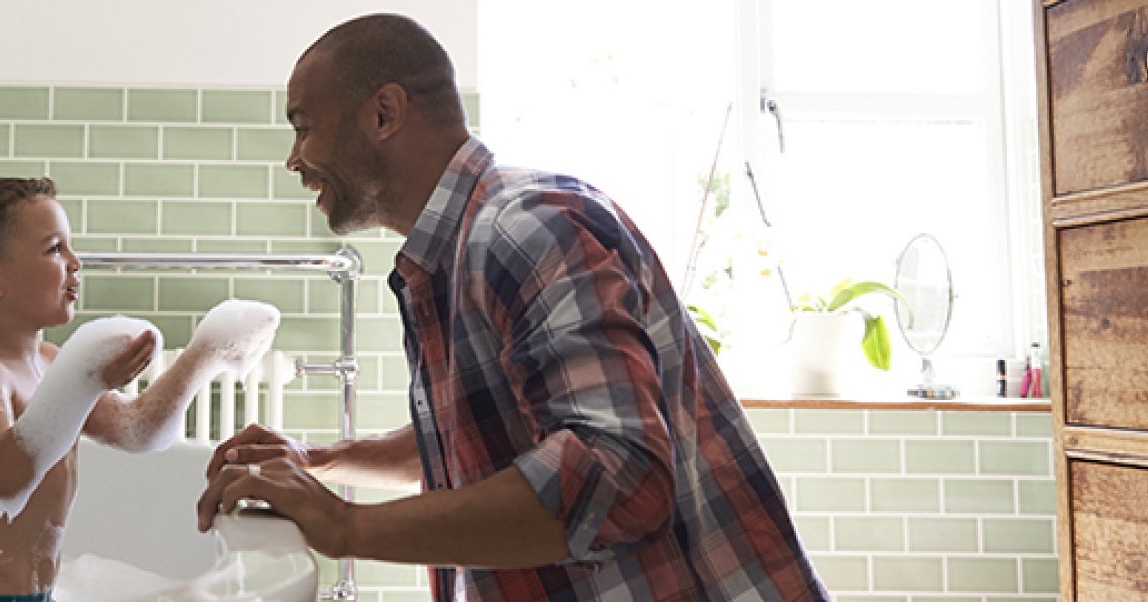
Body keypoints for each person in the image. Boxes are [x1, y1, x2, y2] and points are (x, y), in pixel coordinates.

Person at [194, 14, 829, 601]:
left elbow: (618, 473)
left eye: (304, 125)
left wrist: (343, 525)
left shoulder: (523, 228)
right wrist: (324, 460)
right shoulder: (453, 253)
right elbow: (491, 434)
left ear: (384, 113)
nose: (295, 158)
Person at [0, 177, 266, 602]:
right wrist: (85, 382)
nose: (75, 261)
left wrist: (206, 350)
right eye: (54, 249)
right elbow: (7, 477)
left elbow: (137, 429)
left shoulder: (51, 362)